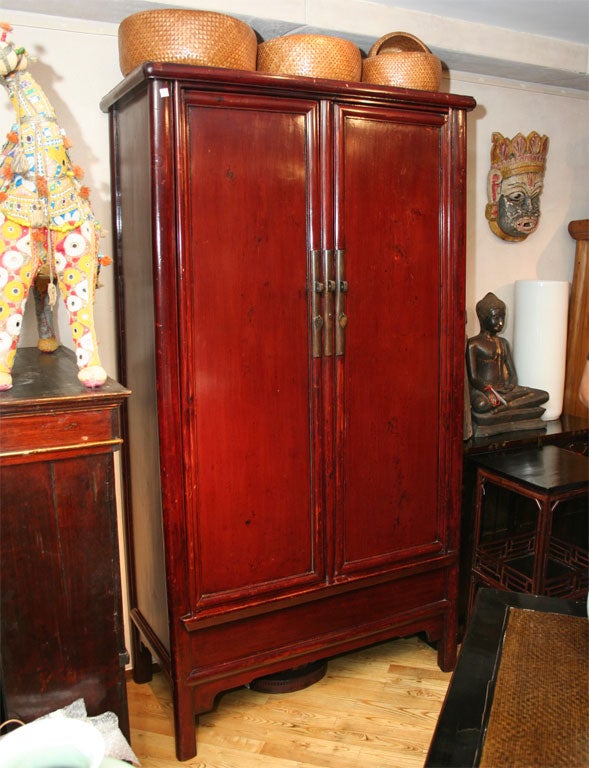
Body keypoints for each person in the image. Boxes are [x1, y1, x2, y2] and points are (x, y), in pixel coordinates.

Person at [466, 292, 548, 428]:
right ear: (482, 318)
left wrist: (511, 385)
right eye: (495, 318)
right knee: (481, 405)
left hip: (505, 391)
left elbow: (512, 374)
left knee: (543, 395)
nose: (500, 323)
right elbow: (473, 377)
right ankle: (502, 405)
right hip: (484, 391)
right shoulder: (473, 344)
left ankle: (500, 408)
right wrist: (489, 390)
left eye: (502, 317)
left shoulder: (503, 343)